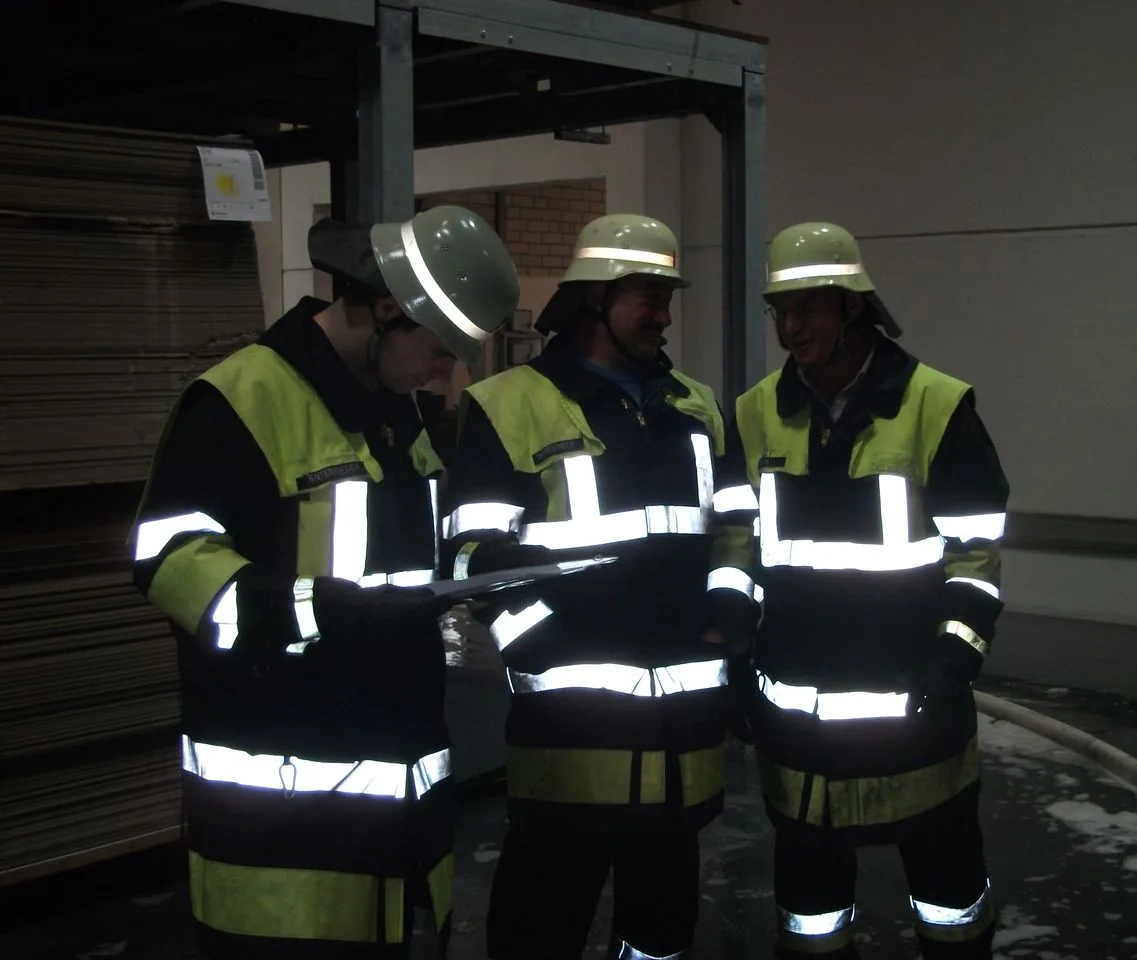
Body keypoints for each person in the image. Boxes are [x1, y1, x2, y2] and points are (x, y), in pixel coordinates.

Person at [130, 205, 520, 959]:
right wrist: (309, 609)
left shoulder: (396, 415)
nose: (446, 375)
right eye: (439, 350)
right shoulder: (240, 399)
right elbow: (167, 557)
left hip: (403, 801)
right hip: (286, 817)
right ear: (387, 310)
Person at [440, 214, 758, 960]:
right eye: (648, 296)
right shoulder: (507, 404)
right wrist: (539, 646)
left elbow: (737, 529)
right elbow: (473, 554)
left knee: (661, 935)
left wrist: (731, 608)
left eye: (666, 298)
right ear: (594, 299)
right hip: (569, 743)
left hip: (683, 740)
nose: (663, 315)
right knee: (538, 932)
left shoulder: (697, 407)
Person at [731, 222, 1009, 958]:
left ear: (853, 306)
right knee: (812, 927)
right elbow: (739, 547)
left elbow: (976, 553)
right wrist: (736, 648)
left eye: (808, 309)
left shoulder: (936, 405)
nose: (791, 329)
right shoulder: (754, 412)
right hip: (799, 735)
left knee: (950, 914)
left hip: (917, 723)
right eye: (779, 311)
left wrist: (956, 658)